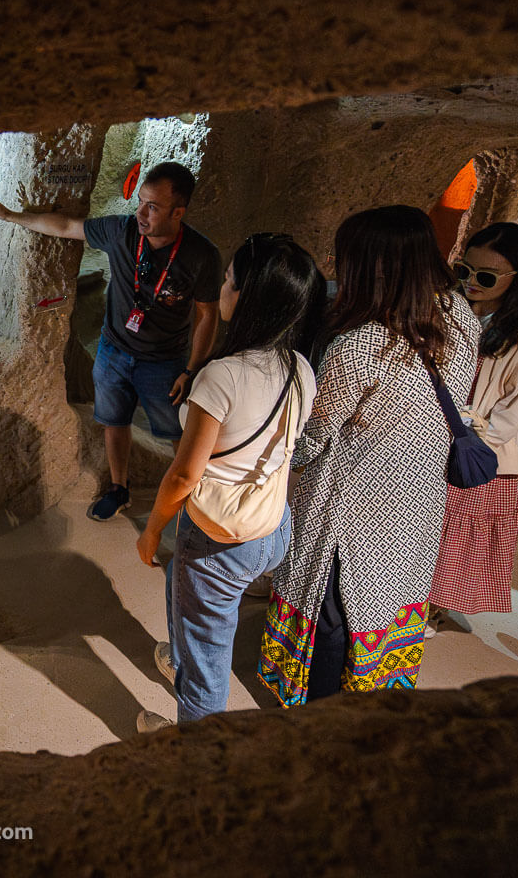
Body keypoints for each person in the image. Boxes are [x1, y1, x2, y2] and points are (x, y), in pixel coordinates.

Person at [259, 206, 480, 705]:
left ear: (374, 267)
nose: (337, 266)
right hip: (418, 502)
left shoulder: (359, 347)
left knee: (332, 616)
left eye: (346, 258)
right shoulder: (460, 317)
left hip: (352, 512)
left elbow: (314, 438)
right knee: (385, 613)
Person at [131, 234, 325, 730]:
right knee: (185, 585)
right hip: (273, 528)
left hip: (220, 540)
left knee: (207, 657)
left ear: (248, 299)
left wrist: (153, 528)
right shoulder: (300, 367)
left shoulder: (221, 377)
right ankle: (180, 655)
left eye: (229, 280)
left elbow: (184, 473)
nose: (222, 286)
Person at [0, 161, 222, 520]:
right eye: (140, 201)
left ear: (178, 212)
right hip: (114, 351)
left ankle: (195, 498)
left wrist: (192, 369)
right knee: (115, 421)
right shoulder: (122, 231)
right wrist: (12, 216)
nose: (141, 213)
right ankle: (119, 488)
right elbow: (66, 226)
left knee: (177, 431)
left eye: (153, 207)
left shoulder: (201, 255)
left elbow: (207, 314)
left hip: (164, 361)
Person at [427, 223, 518, 633]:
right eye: (464, 271)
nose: (471, 283)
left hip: (485, 454)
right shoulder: (451, 306)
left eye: (486, 278)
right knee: (430, 525)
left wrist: (472, 436)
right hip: (439, 436)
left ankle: (434, 606)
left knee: (459, 534)